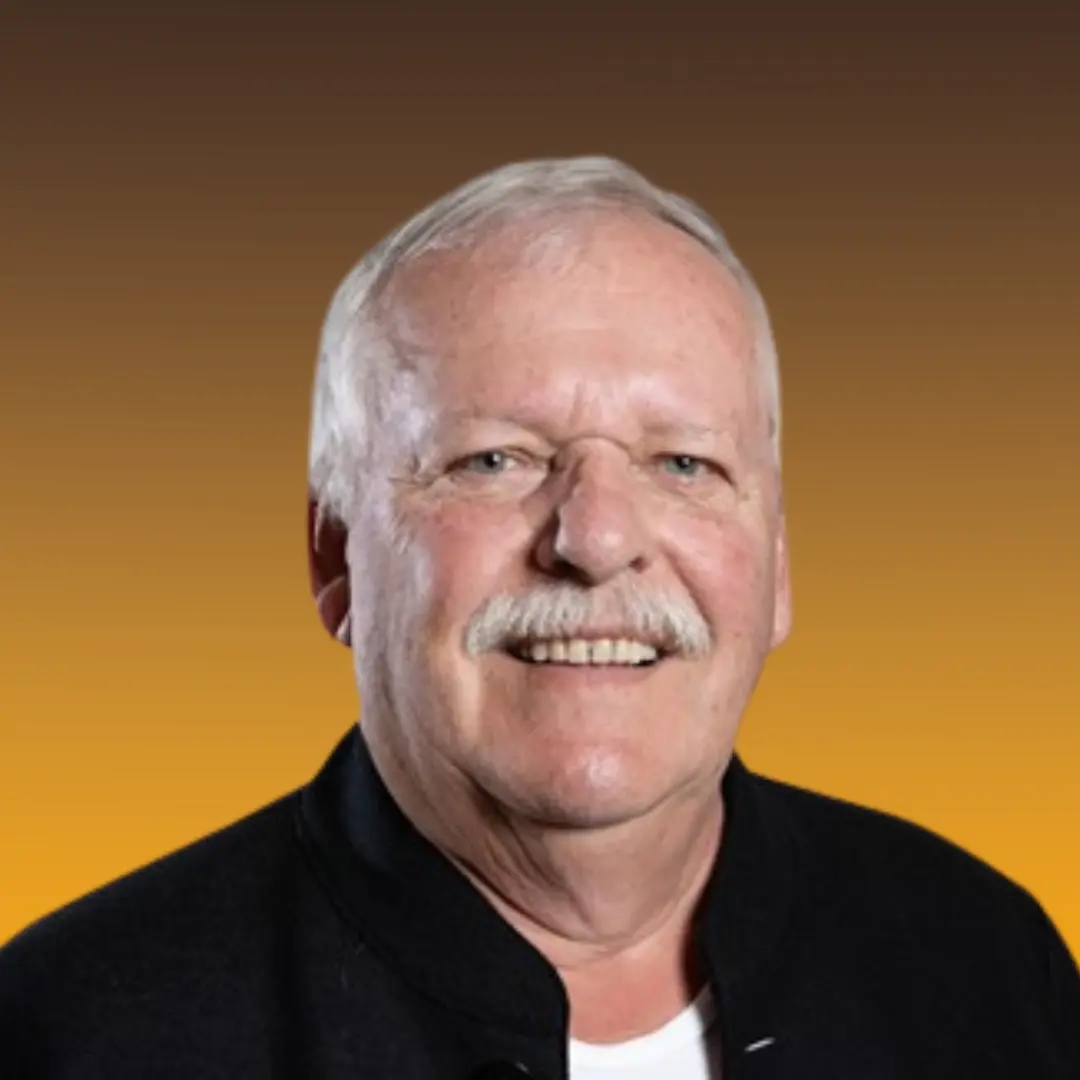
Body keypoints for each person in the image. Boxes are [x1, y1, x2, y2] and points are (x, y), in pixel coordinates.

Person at [1, 157, 1077, 1080]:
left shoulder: (987, 965)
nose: (596, 537)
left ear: (779, 566)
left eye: (684, 463)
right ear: (336, 559)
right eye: (494, 459)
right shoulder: (70, 1033)